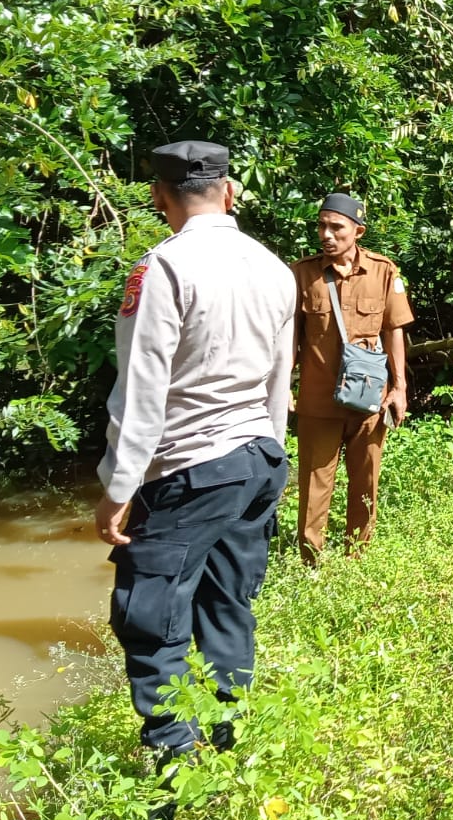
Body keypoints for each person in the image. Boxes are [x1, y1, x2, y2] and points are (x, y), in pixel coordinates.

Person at [95, 140, 295, 763]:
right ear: (229, 192)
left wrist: (117, 489)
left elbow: (142, 388)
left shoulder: (162, 269)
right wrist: (271, 455)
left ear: (160, 198)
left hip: (190, 467)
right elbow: (278, 379)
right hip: (257, 457)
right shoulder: (274, 266)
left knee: (152, 619)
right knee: (226, 603)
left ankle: (175, 768)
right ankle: (230, 744)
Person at [289, 193, 413, 564]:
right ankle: (310, 561)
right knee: (314, 483)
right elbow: (288, 338)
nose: (326, 234)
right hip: (317, 399)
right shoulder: (301, 274)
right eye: (321, 226)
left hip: (368, 398)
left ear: (357, 231)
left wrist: (399, 388)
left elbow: (394, 330)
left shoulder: (383, 271)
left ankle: (356, 557)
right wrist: (282, 387)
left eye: (336, 227)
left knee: (366, 481)